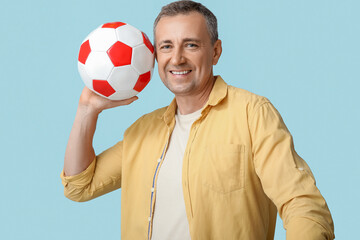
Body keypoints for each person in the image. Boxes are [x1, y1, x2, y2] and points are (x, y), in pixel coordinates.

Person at [60, 1, 335, 239]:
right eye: (166, 46)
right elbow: (78, 186)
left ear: (215, 51)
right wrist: (87, 110)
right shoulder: (142, 131)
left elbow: (302, 204)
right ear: (155, 57)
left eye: (190, 45)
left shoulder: (252, 113)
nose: (177, 58)